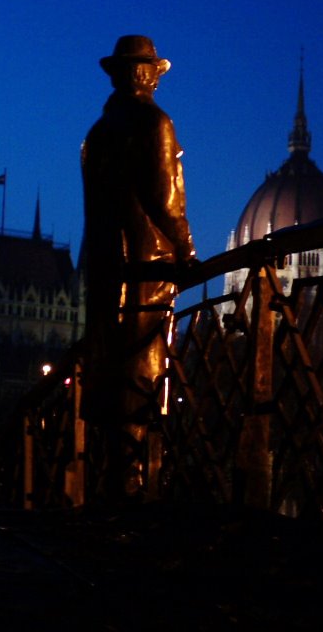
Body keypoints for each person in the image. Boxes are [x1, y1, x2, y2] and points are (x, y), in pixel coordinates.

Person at [81, 35, 196, 501]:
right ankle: (132, 494)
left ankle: (109, 487)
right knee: (141, 381)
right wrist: (187, 253)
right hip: (146, 270)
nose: (149, 76)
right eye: (147, 68)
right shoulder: (154, 122)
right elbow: (164, 199)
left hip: (106, 269)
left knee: (110, 379)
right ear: (145, 74)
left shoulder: (97, 133)